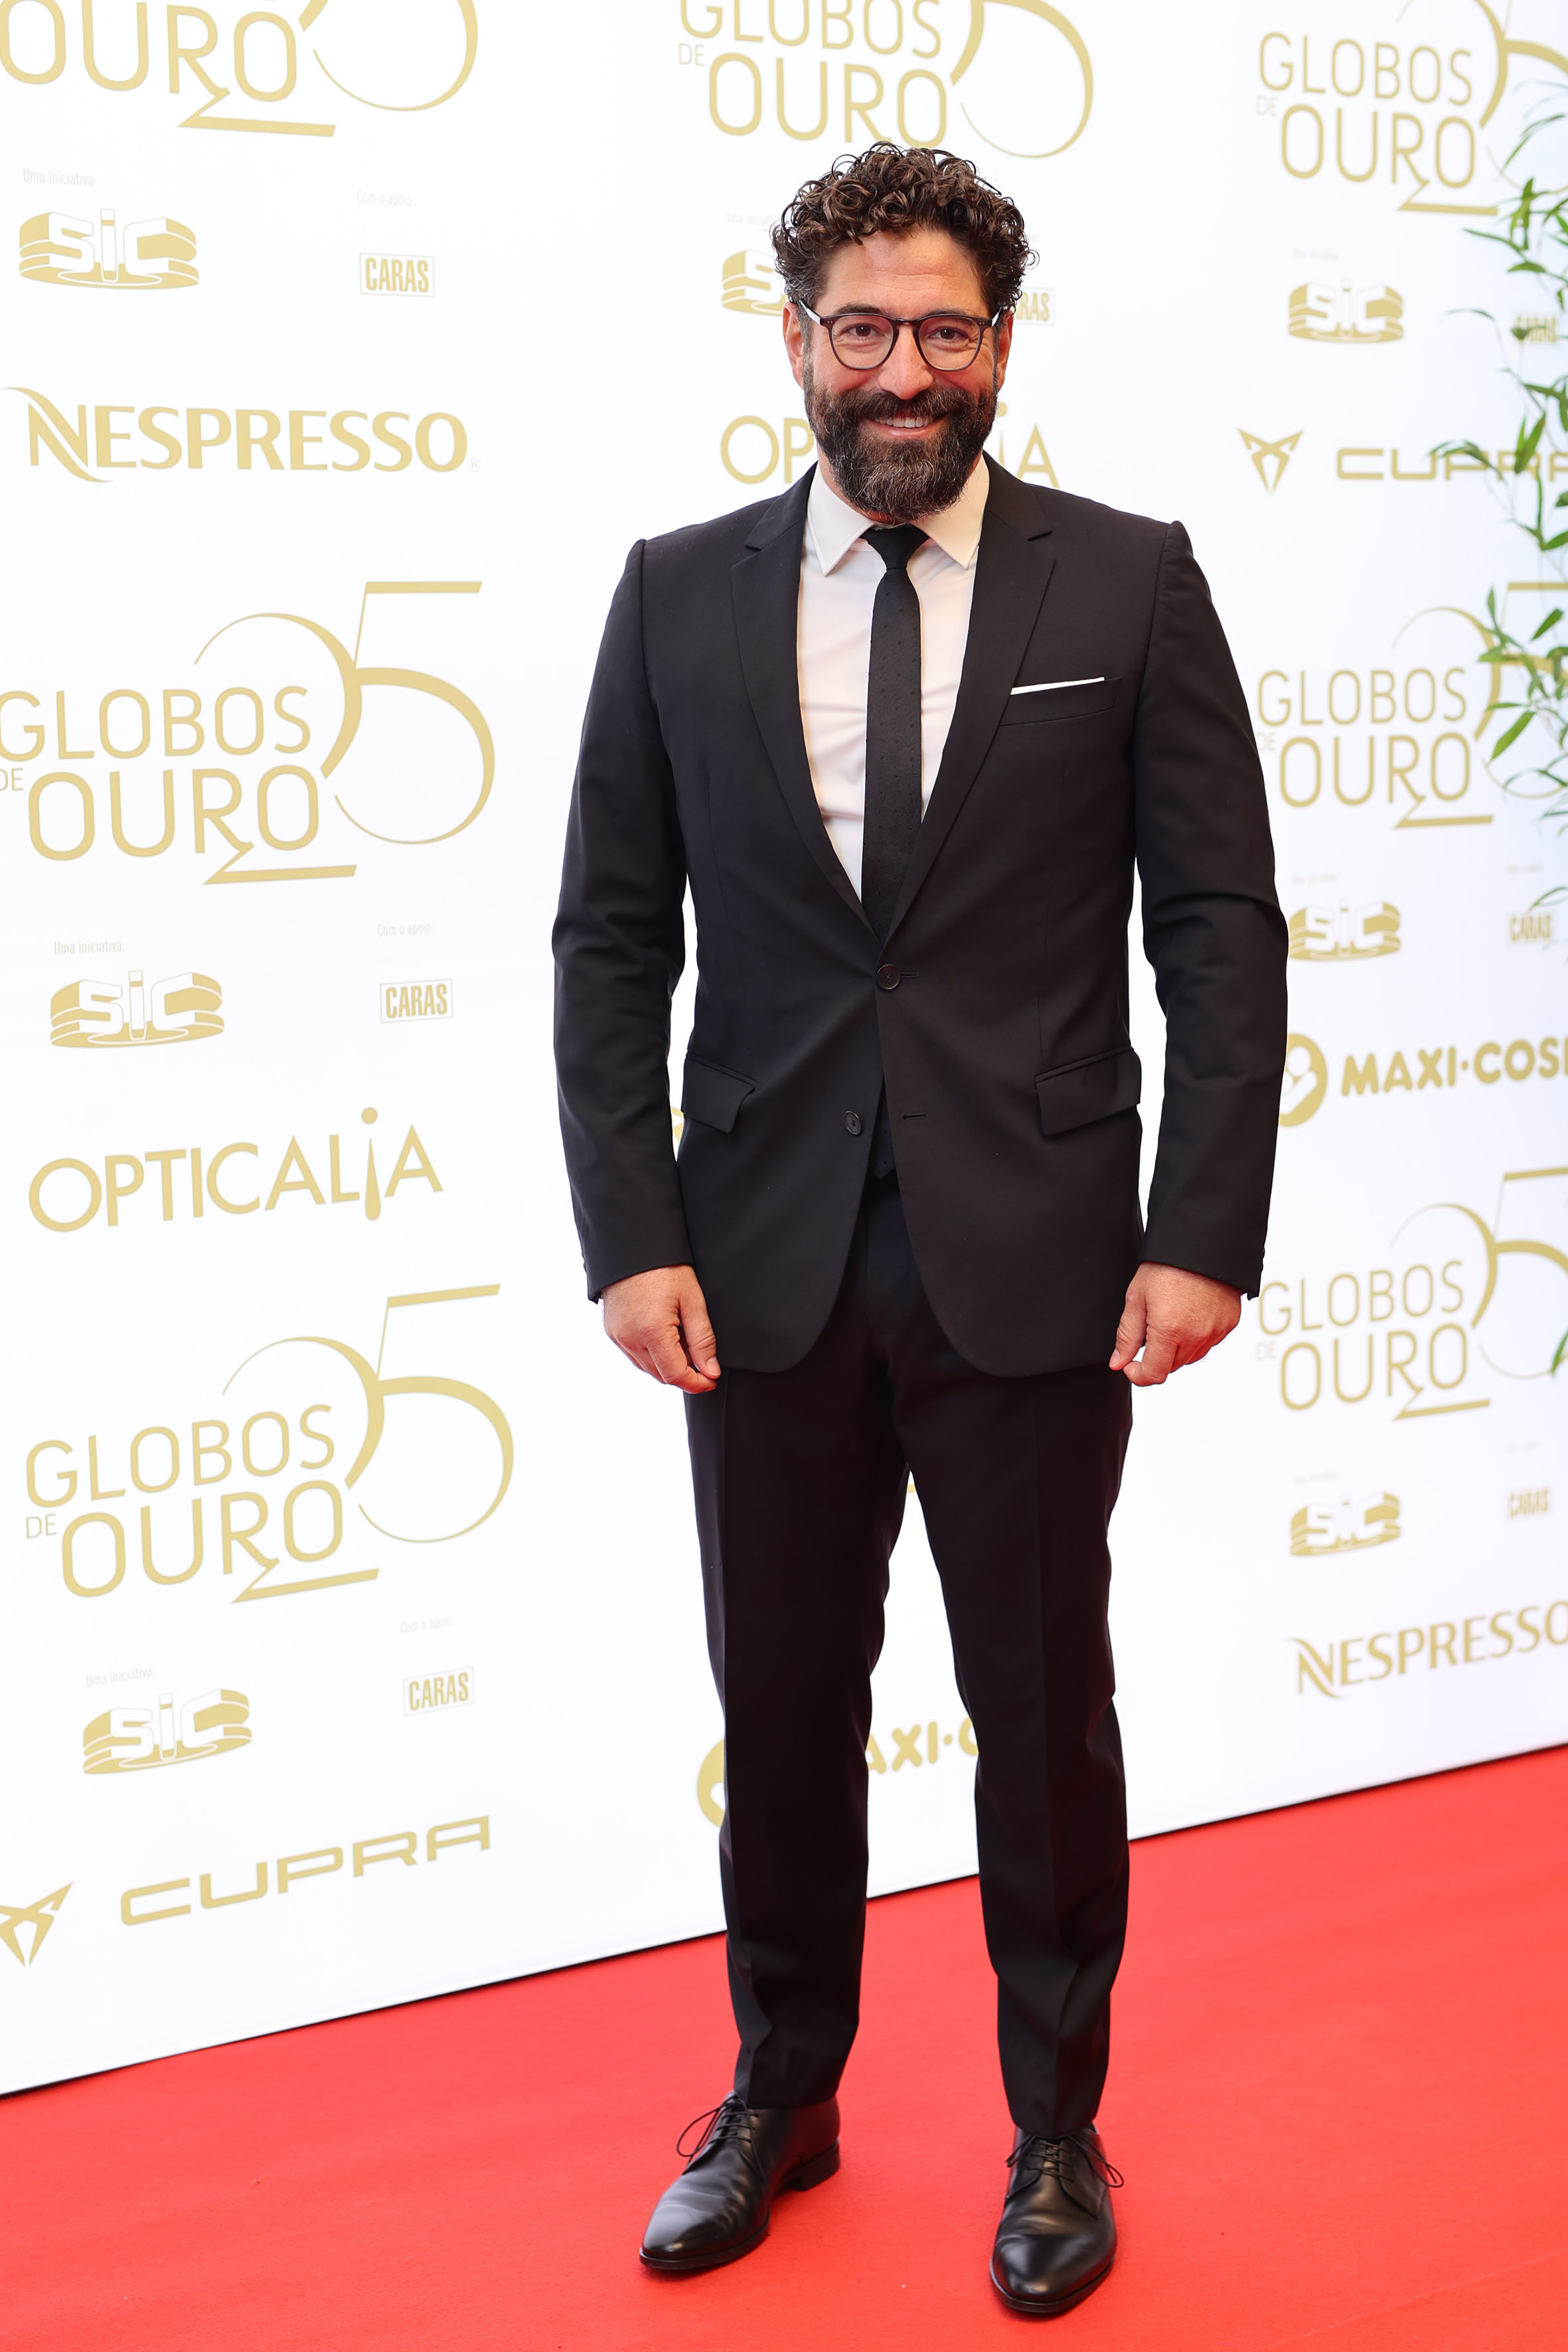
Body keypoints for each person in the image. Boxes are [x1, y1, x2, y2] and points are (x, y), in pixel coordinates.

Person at [553, 143, 1286, 2316]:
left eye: (943, 329)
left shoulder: (1123, 581)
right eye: (861, 328)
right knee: (780, 1707)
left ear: (999, 345)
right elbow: (610, 940)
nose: (902, 372)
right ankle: (779, 2093)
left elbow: (1217, 924)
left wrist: (1200, 1228)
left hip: (1037, 1256)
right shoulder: (673, 595)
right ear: (794, 342)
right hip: (753, 1263)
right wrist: (629, 1233)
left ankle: (1055, 2127)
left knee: (1039, 1710)